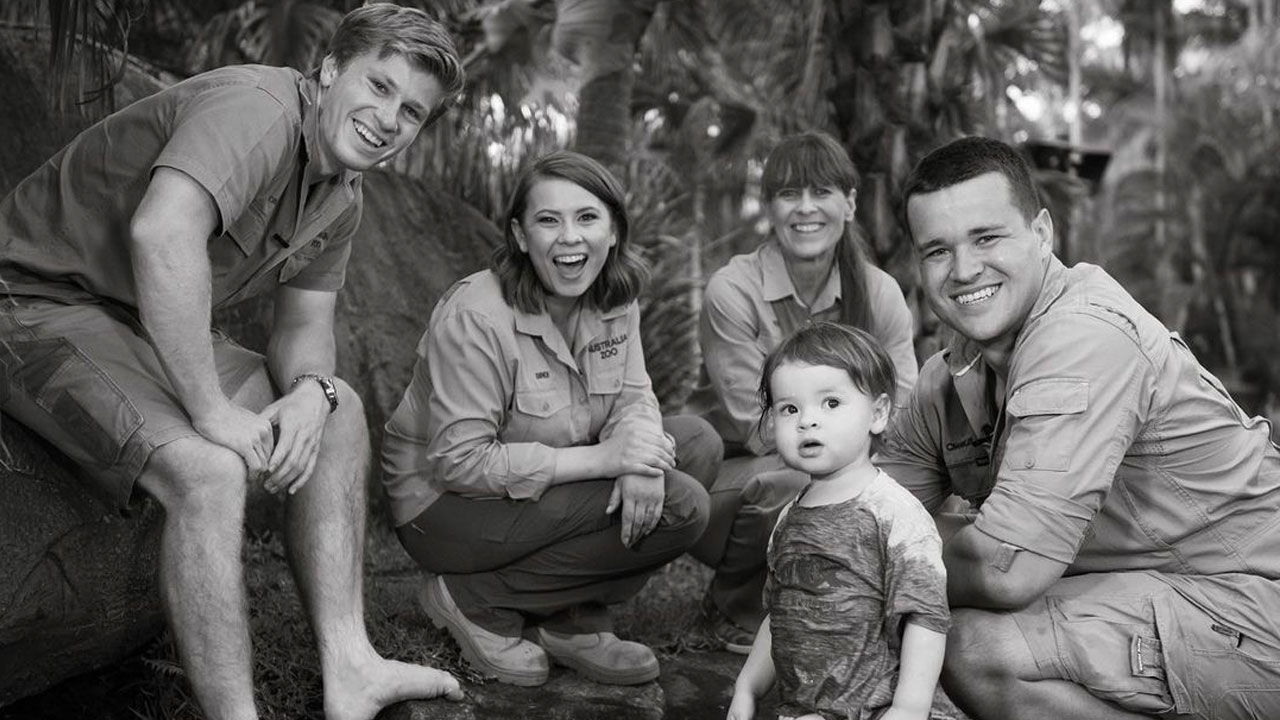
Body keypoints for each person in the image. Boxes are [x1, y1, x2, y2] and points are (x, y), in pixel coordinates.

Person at [0, 5, 466, 719]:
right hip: (32, 303)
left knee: (338, 411)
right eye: (379, 87)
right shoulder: (259, 111)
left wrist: (311, 389)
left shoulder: (342, 195)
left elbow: (304, 324)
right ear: (331, 69)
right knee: (210, 472)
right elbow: (162, 234)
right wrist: (212, 412)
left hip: (130, 323)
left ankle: (351, 666)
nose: (388, 119)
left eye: (411, 111)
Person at [880, 135, 1280, 720]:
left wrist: (888, 558)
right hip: (1155, 595)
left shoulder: (1082, 336)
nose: (964, 270)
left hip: (1248, 602)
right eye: (938, 250)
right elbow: (864, 513)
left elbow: (1006, 569)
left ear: (1042, 233)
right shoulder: (951, 376)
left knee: (976, 647)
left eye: (987, 237)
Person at [381, 150, 717, 688]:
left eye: (587, 217)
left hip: (544, 484)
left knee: (696, 444)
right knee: (681, 505)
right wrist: (605, 460)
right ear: (520, 235)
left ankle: (569, 620)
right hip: (443, 507)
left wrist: (640, 460)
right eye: (548, 220)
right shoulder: (477, 317)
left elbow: (634, 398)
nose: (569, 238)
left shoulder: (614, 298)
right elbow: (458, 464)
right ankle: (474, 600)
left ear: (613, 230)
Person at [685, 131, 918, 652]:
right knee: (796, 479)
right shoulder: (734, 290)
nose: (806, 208)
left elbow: (904, 409)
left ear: (849, 203)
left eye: (822, 192)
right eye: (789, 194)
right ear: (770, 207)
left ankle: (844, 602)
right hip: (733, 480)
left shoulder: (878, 292)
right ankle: (734, 605)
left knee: (905, 486)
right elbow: (761, 426)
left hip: (844, 459)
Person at [727, 322, 956, 720]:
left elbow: (926, 616)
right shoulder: (790, 518)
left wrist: (909, 707)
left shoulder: (894, 514)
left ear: (878, 414)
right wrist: (747, 687)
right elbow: (780, 614)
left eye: (831, 403)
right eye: (790, 408)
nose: (807, 421)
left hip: (881, 708)